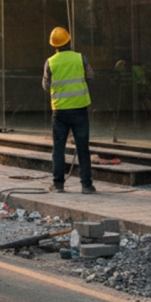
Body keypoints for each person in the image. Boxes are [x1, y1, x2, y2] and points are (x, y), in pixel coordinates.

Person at [42, 26, 96, 194]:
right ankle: (86, 185)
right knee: (82, 147)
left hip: (60, 111)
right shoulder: (81, 58)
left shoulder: (50, 62)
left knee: (58, 147)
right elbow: (91, 76)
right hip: (79, 109)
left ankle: (58, 185)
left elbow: (45, 85)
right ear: (69, 41)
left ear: (54, 45)